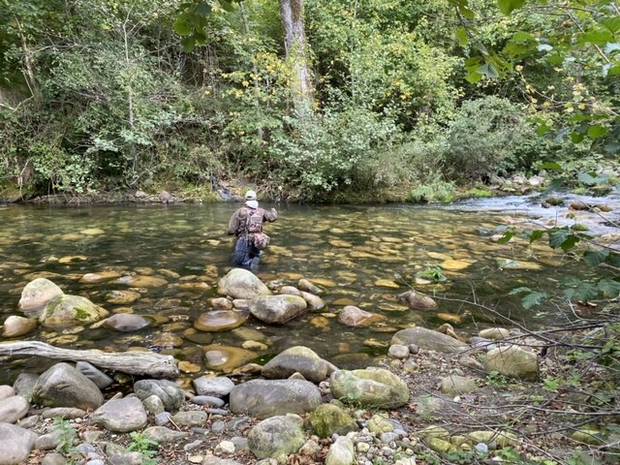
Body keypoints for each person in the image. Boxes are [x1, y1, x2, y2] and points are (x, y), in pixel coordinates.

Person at [227, 190, 278, 271]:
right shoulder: (261, 211)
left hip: (244, 240)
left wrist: (230, 234)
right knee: (255, 256)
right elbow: (273, 217)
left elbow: (231, 229)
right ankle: (255, 273)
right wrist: (273, 210)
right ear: (255, 199)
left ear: (245, 200)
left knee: (239, 262)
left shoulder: (240, 211)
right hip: (257, 240)